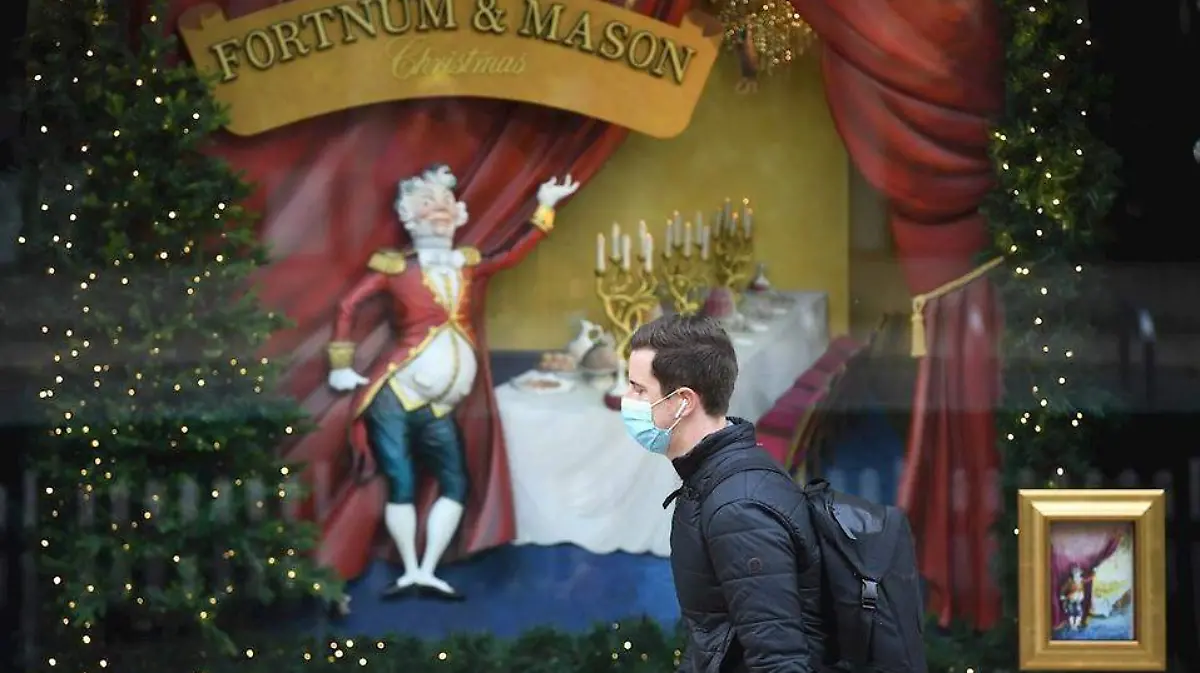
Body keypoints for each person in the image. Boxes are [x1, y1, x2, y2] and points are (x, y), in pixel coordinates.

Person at [324, 164, 578, 604]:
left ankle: (426, 569)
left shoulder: (468, 265)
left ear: (459, 213)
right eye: (427, 204)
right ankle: (408, 567)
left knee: (455, 482)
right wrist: (340, 363)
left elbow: (513, 254)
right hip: (395, 394)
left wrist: (545, 208)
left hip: (441, 405)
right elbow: (348, 305)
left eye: (444, 203)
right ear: (408, 215)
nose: (437, 211)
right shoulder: (393, 267)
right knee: (400, 481)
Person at [622, 314, 828, 672]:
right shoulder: (713, 477)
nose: (627, 399)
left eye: (639, 389)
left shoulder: (739, 511)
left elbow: (779, 661)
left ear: (682, 402)